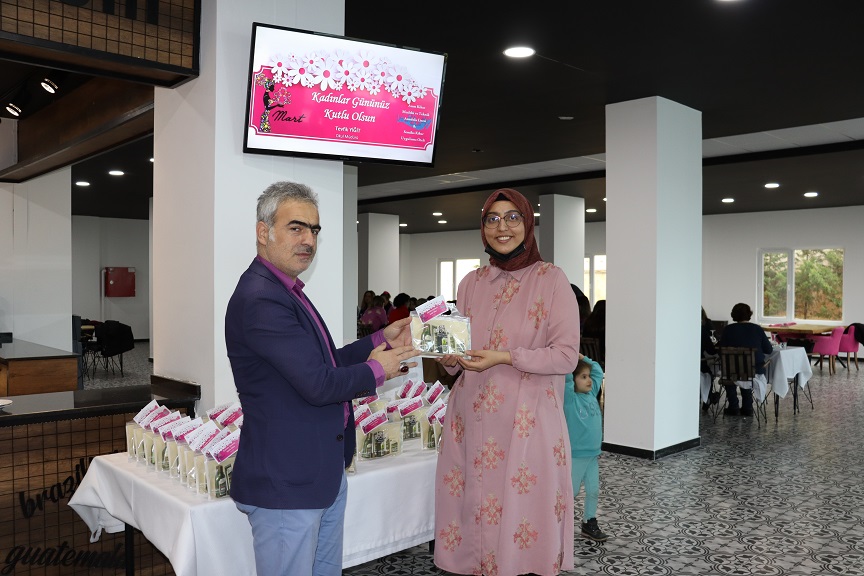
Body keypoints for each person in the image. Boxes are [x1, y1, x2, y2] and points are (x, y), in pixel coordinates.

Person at [225, 181, 417, 576]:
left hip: (317, 474)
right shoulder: (261, 297)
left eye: (314, 230)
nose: (308, 240)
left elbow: (325, 364)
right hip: (287, 482)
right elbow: (319, 385)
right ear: (263, 232)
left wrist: (380, 339)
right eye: (296, 228)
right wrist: (379, 369)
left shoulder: (287, 290)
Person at [434, 188, 580, 576]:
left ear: (528, 223)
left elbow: (566, 355)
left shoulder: (551, 279)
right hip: (471, 419)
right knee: (474, 515)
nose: (503, 227)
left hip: (526, 422)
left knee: (522, 514)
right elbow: (460, 355)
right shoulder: (471, 282)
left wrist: (505, 356)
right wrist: (451, 360)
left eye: (513, 217)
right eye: (493, 219)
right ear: (483, 227)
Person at [564, 354, 609, 542]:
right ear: (573, 381)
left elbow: (598, 370)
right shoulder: (570, 399)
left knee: (593, 490)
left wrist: (582, 357)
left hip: (592, 456)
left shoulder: (591, 394)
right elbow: (566, 375)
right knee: (571, 492)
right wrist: (569, 357)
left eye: (588, 376)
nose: (589, 380)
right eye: (583, 377)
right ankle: (560, 524)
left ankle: (589, 522)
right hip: (576, 456)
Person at [718, 302, 772, 417]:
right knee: (747, 370)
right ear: (749, 314)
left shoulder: (728, 329)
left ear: (733, 315)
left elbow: (721, 350)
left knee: (733, 371)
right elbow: (768, 350)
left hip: (731, 373)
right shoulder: (757, 329)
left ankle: (733, 406)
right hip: (754, 372)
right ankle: (748, 407)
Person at [700, 307, 718, 411]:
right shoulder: (702, 328)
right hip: (699, 364)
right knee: (709, 371)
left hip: (684, 366)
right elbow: (711, 350)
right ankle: (708, 398)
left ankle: (708, 397)